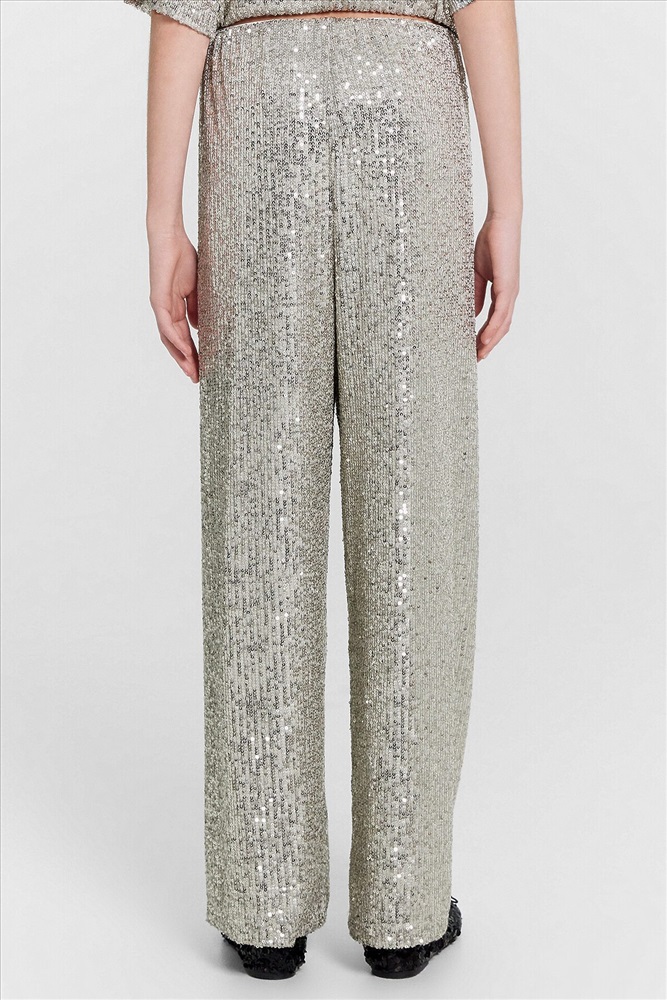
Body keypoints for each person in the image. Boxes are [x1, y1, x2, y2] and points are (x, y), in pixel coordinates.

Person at [123, 0, 521, 981]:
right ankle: (405, 905)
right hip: (410, 115)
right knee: (416, 514)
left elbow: (183, 13)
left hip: (259, 113)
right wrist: (507, 204)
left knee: (256, 514)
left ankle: (262, 904)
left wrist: (162, 220)